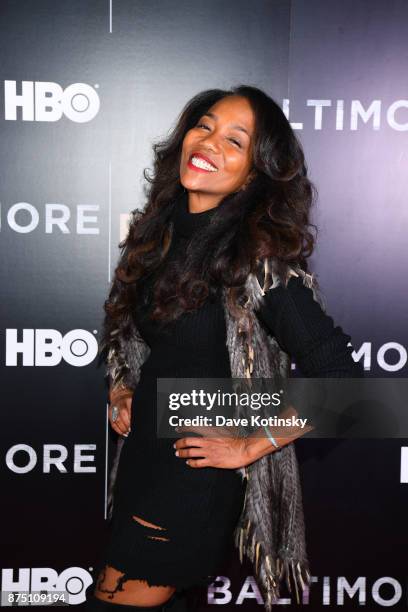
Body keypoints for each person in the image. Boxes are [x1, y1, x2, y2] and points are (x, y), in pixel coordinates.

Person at [87, 85, 363, 611]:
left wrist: (248, 444)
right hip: (142, 461)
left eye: (234, 141)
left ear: (254, 174)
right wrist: (124, 386)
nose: (209, 142)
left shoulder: (256, 262)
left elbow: (345, 382)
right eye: (205, 125)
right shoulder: (158, 234)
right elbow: (129, 330)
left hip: (189, 480)